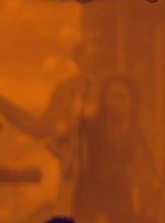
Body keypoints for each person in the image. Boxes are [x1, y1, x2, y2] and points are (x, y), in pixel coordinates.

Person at [0, 42, 105, 213]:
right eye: (88, 55)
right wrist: (3, 104)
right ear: (77, 59)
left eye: (97, 55)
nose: (93, 60)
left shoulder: (114, 88)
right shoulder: (66, 90)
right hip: (75, 168)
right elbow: (41, 127)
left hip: (109, 173)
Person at [72, 75, 156, 223]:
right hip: (93, 190)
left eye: (122, 97)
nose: (117, 103)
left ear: (132, 101)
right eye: (113, 97)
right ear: (104, 100)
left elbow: (144, 160)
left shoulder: (135, 129)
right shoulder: (91, 127)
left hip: (120, 190)